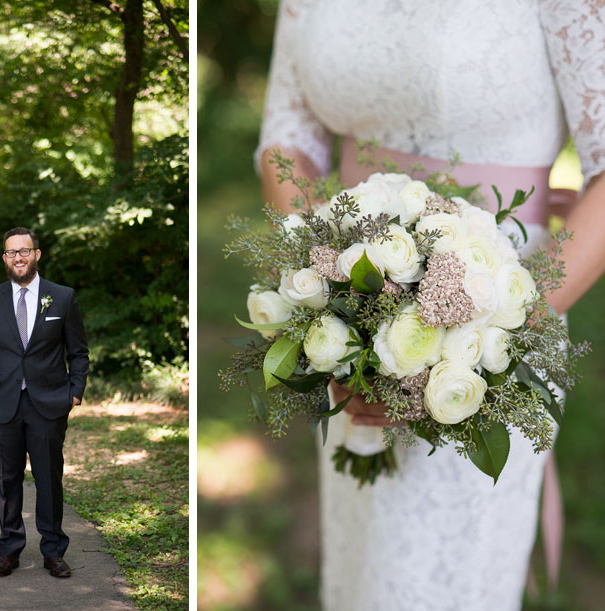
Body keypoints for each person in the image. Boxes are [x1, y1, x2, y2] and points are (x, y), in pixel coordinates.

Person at [256, 1, 605, 609]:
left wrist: (503, 332)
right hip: (359, 305)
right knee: (366, 575)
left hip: (491, 330)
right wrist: (331, 302)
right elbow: (287, 142)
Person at [0, 227, 89, 579]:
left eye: (24, 251)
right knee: (6, 482)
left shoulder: (62, 297)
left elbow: (78, 352)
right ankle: (9, 550)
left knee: (49, 479)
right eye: (11, 253)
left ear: (37, 254)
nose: (18, 257)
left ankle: (53, 551)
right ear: (4, 259)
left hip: (49, 403)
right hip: (3, 404)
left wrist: (74, 393)